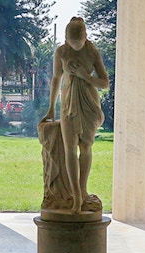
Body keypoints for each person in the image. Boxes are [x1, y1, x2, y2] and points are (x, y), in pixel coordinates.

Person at [42, 16, 109, 213]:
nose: (76, 45)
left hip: (88, 103)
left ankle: (83, 189)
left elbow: (104, 83)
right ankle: (76, 197)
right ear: (66, 39)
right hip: (69, 104)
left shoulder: (91, 51)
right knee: (70, 148)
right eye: (72, 42)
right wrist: (51, 108)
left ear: (86, 38)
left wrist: (85, 76)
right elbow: (56, 79)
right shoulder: (61, 52)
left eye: (79, 42)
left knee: (86, 147)